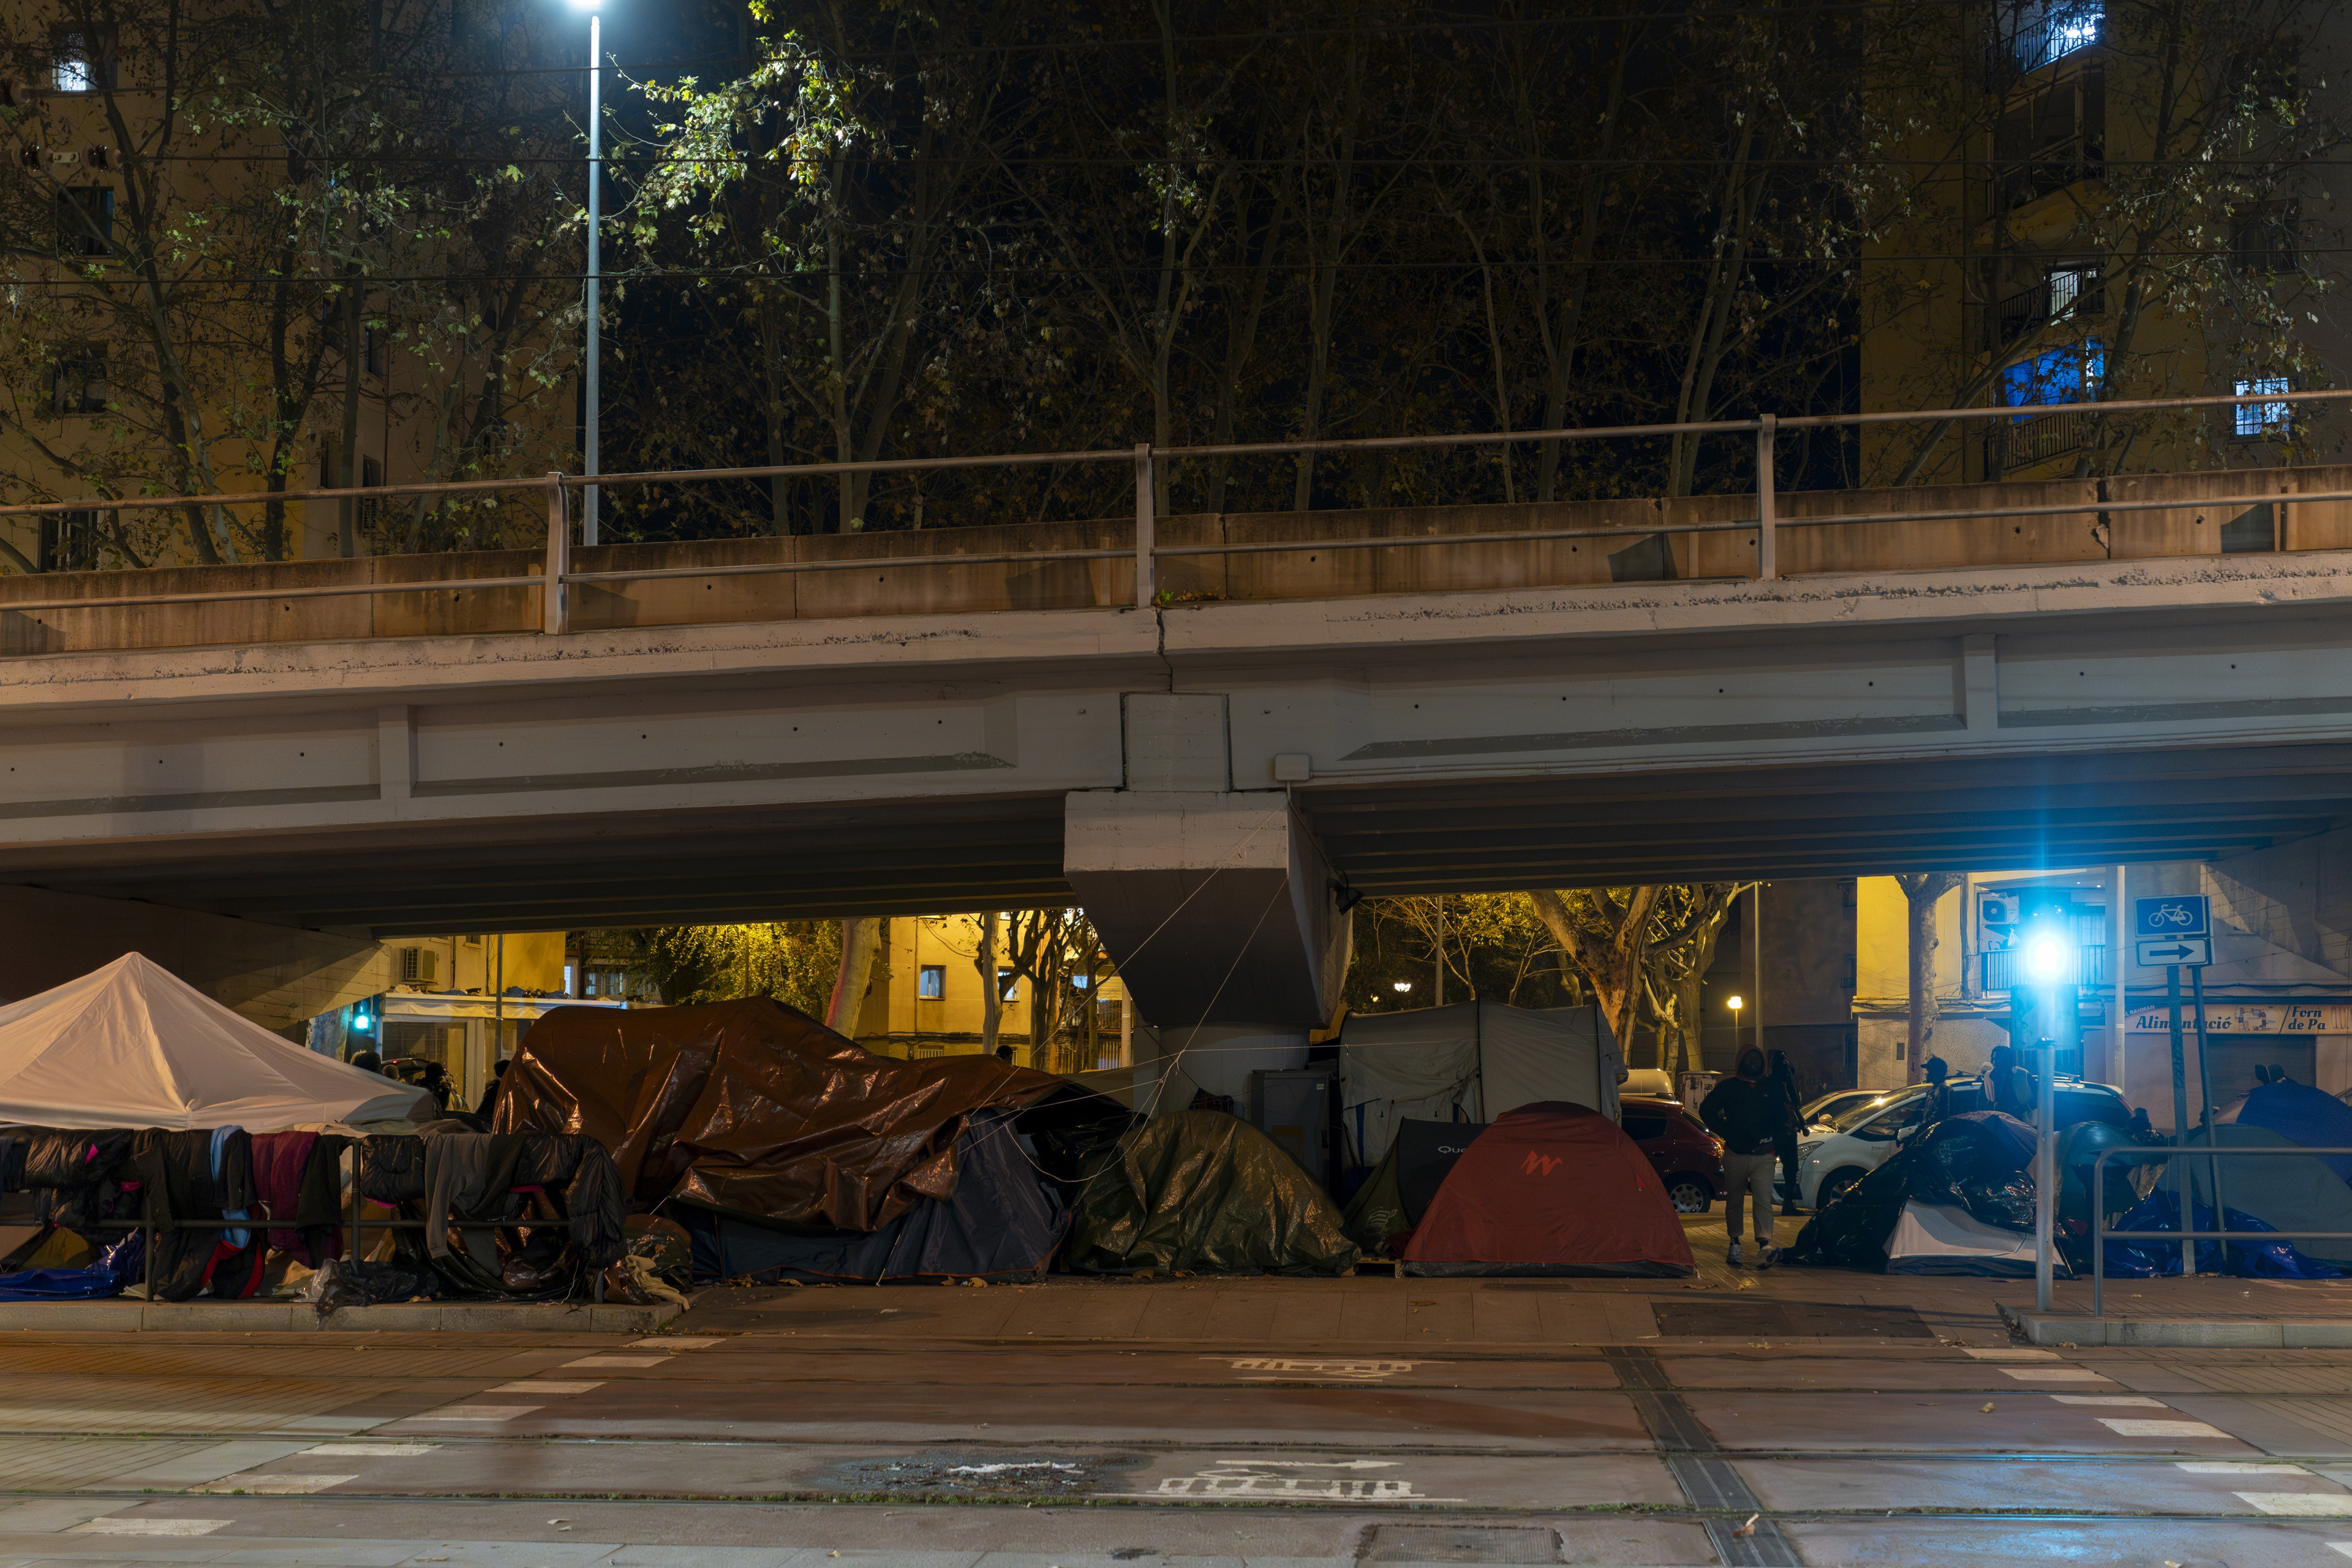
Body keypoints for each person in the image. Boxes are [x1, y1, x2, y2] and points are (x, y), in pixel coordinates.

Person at [1700, 1047, 1783, 1267]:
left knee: (1763, 1198)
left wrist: (1775, 1143)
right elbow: (1707, 1110)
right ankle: (1734, 1243)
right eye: (1749, 1058)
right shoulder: (1728, 1087)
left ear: (1764, 1063)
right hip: (1735, 1154)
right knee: (1734, 1200)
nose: (1754, 1062)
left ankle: (1765, 1245)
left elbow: (1785, 1117)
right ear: (1740, 1062)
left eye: (1758, 1058)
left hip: (1764, 1154)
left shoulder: (1772, 1087)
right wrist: (1728, 1132)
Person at [1766, 1050, 1803, 1216]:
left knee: (1788, 1169)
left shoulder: (1775, 1081)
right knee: (1784, 1168)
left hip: (1781, 1131)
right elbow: (1793, 1101)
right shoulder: (1777, 1083)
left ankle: (1787, 1204)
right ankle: (1785, 1204)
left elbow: (1794, 1102)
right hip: (1781, 1131)